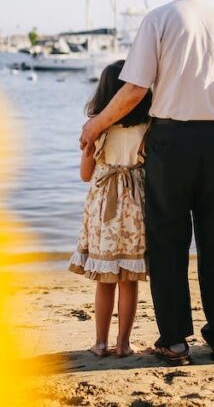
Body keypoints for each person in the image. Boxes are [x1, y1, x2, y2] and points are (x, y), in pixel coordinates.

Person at [79, 0, 214, 364]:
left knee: (169, 243)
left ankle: (174, 340)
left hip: (170, 141)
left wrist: (96, 124)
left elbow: (134, 89)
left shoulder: (158, 19)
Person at [69, 60, 152, 358]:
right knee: (129, 279)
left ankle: (100, 343)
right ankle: (124, 344)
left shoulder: (97, 129)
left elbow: (85, 175)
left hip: (104, 206)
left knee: (105, 281)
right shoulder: (148, 126)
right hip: (135, 207)